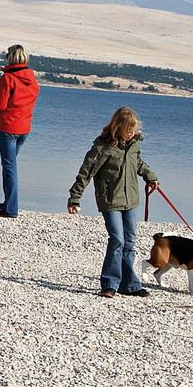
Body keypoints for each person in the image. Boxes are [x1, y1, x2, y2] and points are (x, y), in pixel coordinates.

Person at [68, 106, 161, 298]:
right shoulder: (102, 148)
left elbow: (137, 163)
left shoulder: (134, 144)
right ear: (118, 128)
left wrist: (150, 176)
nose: (131, 134)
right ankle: (109, 284)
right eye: (128, 131)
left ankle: (130, 285)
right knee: (117, 240)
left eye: (133, 131)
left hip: (131, 200)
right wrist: (75, 198)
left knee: (130, 242)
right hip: (110, 200)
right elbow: (86, 173)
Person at [0, 45, 39, 218]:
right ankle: (8, 202)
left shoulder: (8, 78)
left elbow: (0, 104)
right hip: (24, 128)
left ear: (10, 58)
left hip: (9, 127)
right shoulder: (32, 79)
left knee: (9, 167)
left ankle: (11, 209)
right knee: (9, 165)